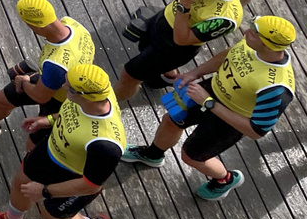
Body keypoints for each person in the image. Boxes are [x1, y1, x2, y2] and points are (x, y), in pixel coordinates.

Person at [121, 15, 295, 201]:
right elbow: (229, 55)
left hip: (229, 120)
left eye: (254, 32)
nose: (246, 31)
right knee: (171, 120)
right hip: (209, 92)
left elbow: (256, 131)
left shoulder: (277, 88)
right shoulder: (252, 46)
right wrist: (194, 73)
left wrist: (209, 103)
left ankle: (225, 179)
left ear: (269, 45)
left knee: (191, 157)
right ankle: (152, 155)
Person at [0, 64, 123, 219]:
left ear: (85, 95)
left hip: (74, 176)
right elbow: (77, 114)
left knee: (52, 218)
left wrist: (44, 191)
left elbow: (91, 185)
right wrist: (48, 120)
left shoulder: (106, 146)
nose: (64, 86)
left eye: (69, 86)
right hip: (51, 151)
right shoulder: (96, 97)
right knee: (22, 182)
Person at [0, 0, 97, 140]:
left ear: (36, 26)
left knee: (35, 141)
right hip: (59, 77)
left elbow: (41, 96)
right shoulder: (74, 25)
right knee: (0, 99)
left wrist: (23, 82)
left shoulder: (55, 64)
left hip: (62, 99)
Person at [115, 0, 242, 102]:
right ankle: (167, 76)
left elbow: (182, 39)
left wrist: (185, 4)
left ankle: (110, 104)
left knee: (129, 76)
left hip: (173, 47)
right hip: (163, 20)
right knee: (144, 48)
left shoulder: (224, 19)